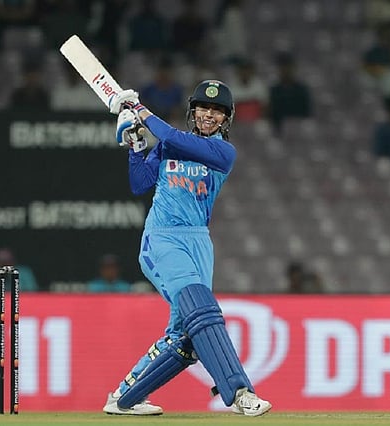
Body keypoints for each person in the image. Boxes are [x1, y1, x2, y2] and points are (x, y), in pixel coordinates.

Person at [100, 81, 272, 416]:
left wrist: (139, 110)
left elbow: (172, 137)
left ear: (226, 119)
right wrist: (135, 147)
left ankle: (124, 398)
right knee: (202, 311)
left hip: (199, 243)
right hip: (163, 238)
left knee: (186, 337)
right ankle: (240, 392)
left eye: (217, 111)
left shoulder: (223, 153)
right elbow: (140, 183)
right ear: (193, 111)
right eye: (203, 108)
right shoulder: (168, 145)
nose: (209, 115)